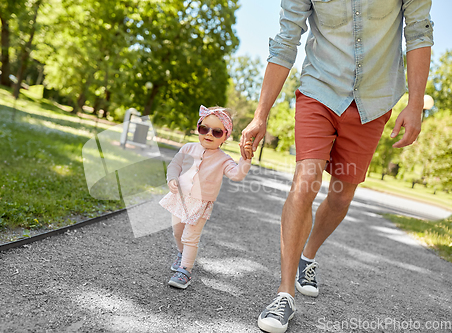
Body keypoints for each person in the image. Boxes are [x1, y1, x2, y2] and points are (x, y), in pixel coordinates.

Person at [239, 0, 433, 332]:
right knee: (306, 180)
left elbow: (417, 32)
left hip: (374, 99)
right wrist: (261, 115)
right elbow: (287, 38)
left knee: (342, 196)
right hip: (319, 90)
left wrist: (416, 104)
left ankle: (308, 255)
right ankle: (284, 295)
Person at [160, 105, 253, 289]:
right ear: (198, 128)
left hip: (200, 203)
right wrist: (171, 178)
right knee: (177, 231)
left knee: (190, 237)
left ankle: (185, 270)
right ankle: (181, 254)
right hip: (180, 198)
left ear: (225, 136)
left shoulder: (223, 159)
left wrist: (246, 159)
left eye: (217, 132)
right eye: (204, 129)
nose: (209, 134)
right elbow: (174, 165)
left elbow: (237, 174)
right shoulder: (188, 148)